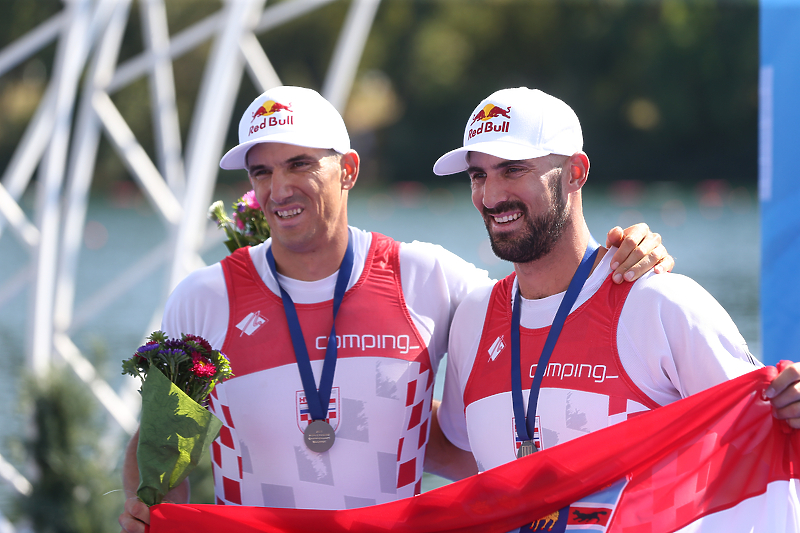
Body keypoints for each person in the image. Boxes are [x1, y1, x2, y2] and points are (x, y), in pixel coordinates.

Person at [119, 86, 673, 532]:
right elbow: (163, 447)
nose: (279, 188)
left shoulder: (428, 277)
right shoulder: (203, 299)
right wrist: (148, 511)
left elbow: (549, 302)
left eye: (299, 164)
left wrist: (628, 258)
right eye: (261, 172)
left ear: (349, 170)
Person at [430, 87, 800, 484]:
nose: (491, 195)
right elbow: (463, 454)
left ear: (575, 173)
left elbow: (768, 436)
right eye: (478, 175)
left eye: (513, 169)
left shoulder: (661, 303)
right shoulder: (473, 318)